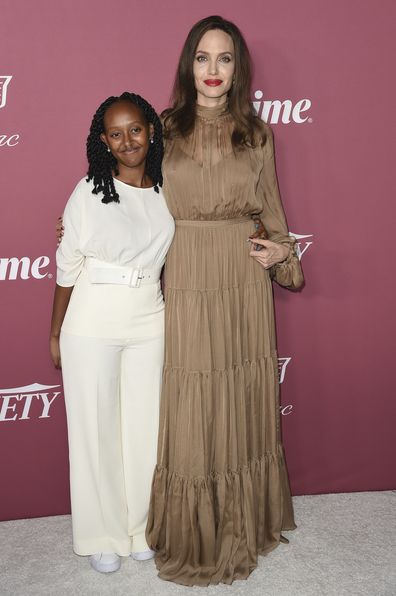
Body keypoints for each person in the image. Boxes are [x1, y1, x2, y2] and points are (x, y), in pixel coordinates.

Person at [145, 16, 304, 586]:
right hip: (186, 272)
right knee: (192, 400)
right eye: (203, 58)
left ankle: (244, 522)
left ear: (239, 69)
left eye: (226, 59)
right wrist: (79, 229)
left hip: (241, 279)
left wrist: (279, 254)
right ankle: (194, 532)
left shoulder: (257, 135)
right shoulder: (160, 128)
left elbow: (278, 219)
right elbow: (127, 202)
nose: (214, 71)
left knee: (239, 394)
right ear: (189, 66)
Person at [50, 92, 174, 574]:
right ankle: (101, 534)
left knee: (145, 428)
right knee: (95, 430)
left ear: (151, 130)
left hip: (149, 315)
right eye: (116, 134)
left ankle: (139, 529)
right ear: (103, 140)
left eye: (136, 129)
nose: (128, 141)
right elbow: (67, 266)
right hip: (92, 318)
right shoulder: (88, 191)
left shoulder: (168, 188)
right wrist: (55, 331)